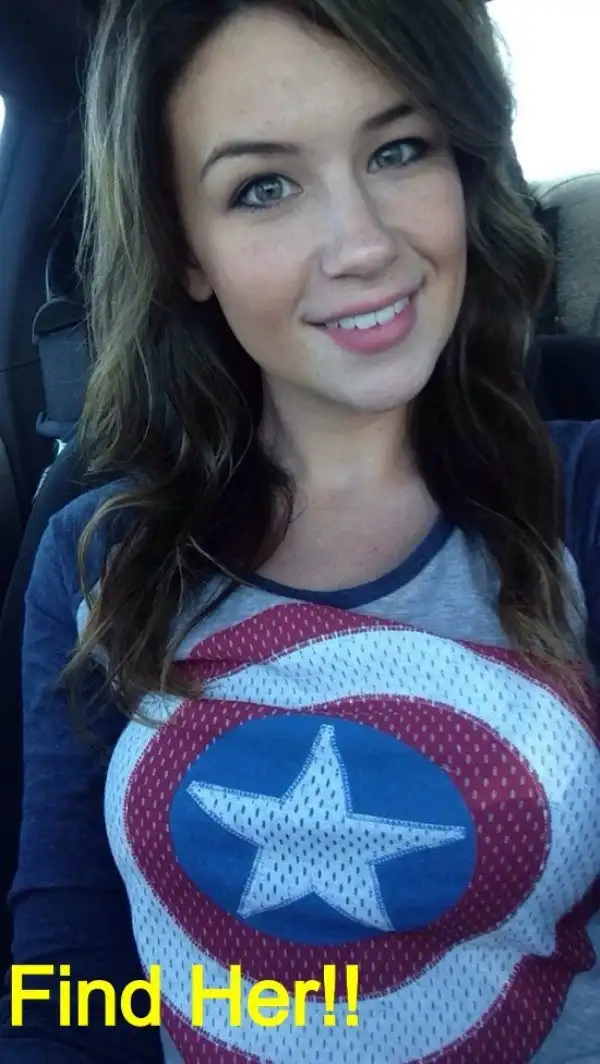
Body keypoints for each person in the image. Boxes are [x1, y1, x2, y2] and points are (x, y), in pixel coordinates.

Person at [1, 0, 599, 1060]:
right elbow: (69, 973)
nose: (362, 246)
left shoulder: (583, 500)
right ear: (188, 251)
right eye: (263, 187)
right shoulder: (99, 552)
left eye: (398, 150)